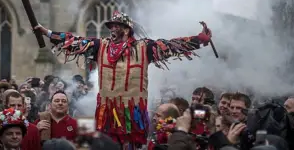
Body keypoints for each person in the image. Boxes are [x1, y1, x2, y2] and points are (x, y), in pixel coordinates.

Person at [34, 10, 212, 148]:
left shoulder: (145, 48)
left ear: (127, 30)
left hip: (132, 114)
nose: (112, 29)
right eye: (110, 26)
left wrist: (199, 39)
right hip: (107, 114)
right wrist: (48, 33)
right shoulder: (99, 46)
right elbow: (74, 42)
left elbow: (172, 45)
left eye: (116, 26)